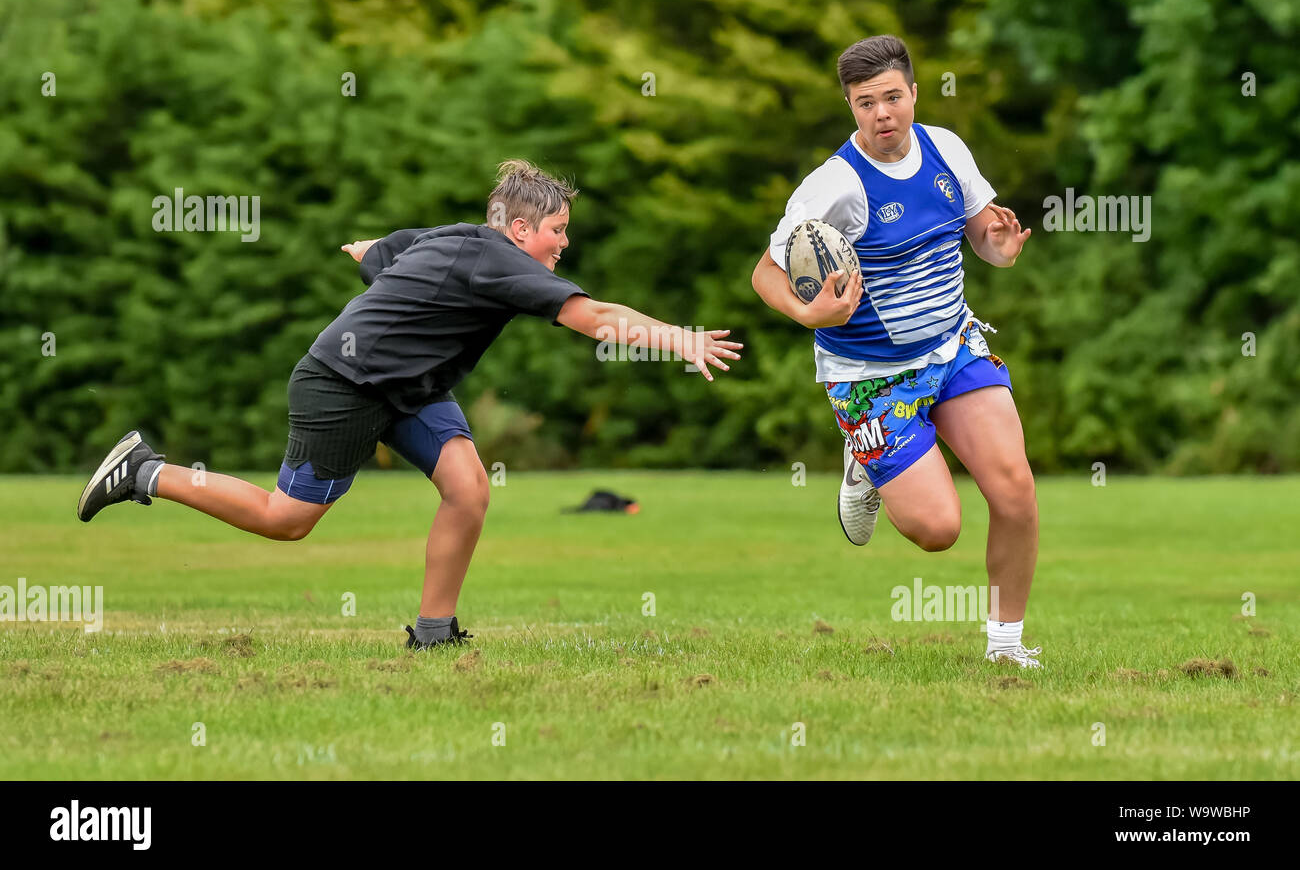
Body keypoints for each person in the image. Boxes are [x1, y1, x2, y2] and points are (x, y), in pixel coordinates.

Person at [78, 159, 742, 649]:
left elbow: (383, 251)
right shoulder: (500, 262)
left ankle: (433, 633)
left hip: (406, 389)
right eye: (556, 231)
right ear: (517, 229)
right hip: (342, 387)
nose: (563, 244)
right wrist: (677, 339)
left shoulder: (456, 238)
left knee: (468, 489)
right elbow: (594, 317)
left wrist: (366, 251)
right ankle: (146, 472)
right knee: (287, 519)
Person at [750, 35, 1042, 668]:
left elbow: (982, 234)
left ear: (913, 92)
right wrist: (808, 311)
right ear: (850, 108)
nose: (881, 114)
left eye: (891, 97)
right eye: (864, 103)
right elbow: (764, 272)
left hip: (952, 347)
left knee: (1015, 488)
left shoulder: (947, 149)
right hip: (870, 377)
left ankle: (1006, 648)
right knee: (939, 531)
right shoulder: (835, 185)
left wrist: (1000, 246)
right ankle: (865, 459)